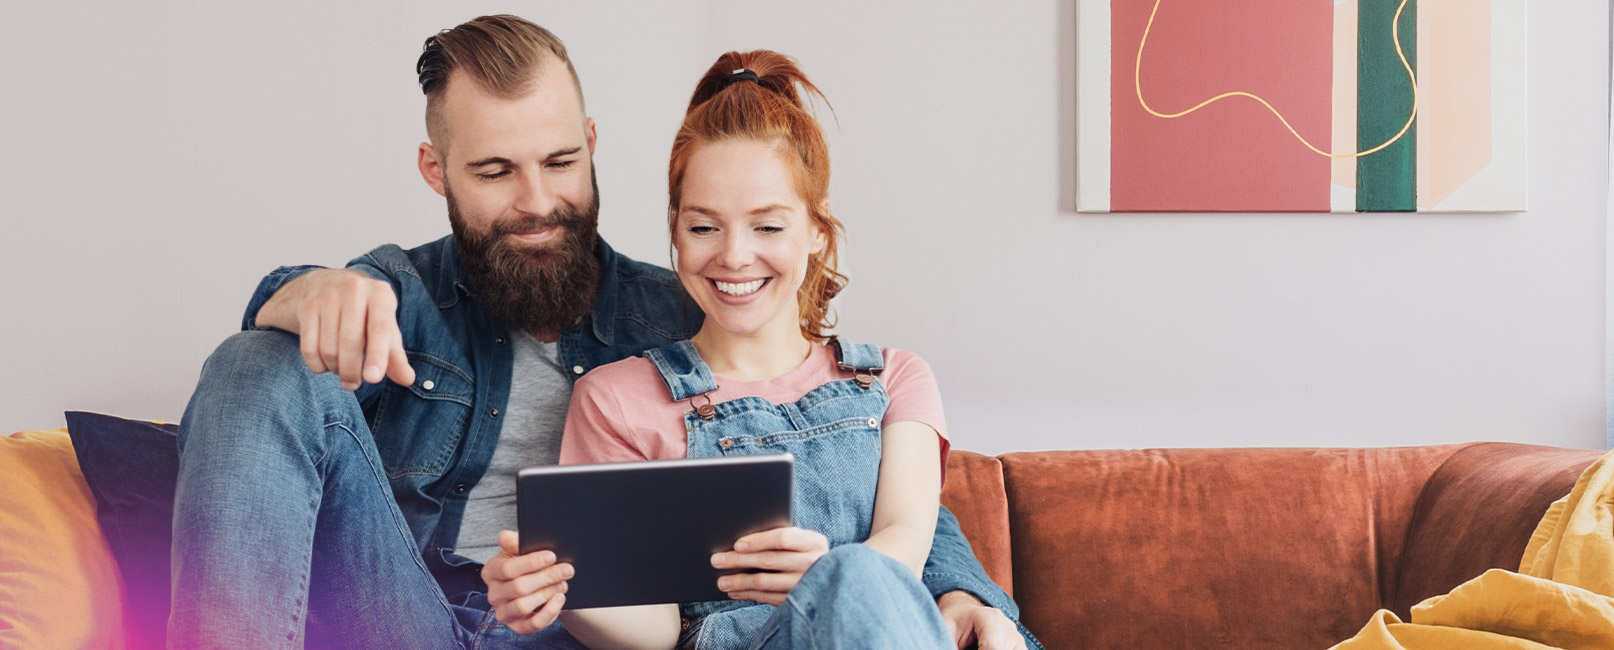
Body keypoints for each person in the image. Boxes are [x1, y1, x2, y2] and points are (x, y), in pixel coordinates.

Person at [169, 16, 1024, 650]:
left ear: (591, 142)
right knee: (257, 359)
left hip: (583, 638)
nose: (537, 200)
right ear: (437, 171)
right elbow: (293, 337)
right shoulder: (399, 292)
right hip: (404, 619)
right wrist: (301, 289)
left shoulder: (685, 314)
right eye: (496, 171)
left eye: (559, 162)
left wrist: (966, 595)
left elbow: (867, 462)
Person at [475, 50, 1040, 650]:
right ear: (675, 230)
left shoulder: (895, 379)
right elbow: (657, 632)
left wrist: (826, 580)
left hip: (878, 625)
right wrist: (568, 594)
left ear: (816, 231)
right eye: (703, 227)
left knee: (858, 576)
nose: (735, 255)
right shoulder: (615, 399)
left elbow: (903, 546)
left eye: (768, 226)